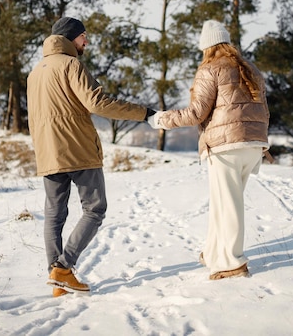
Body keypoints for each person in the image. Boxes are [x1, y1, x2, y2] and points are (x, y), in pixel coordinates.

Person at [27, 16, 155, 297]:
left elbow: (33, 118)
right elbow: (98, 102)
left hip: (48, 152)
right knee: (95, 209)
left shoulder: (35, 71)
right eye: (84, 36)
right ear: (71, 38)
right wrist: (144, 113)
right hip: (79, 151)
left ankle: (57, 277)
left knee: (54, 215)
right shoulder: (72, 65)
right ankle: (64, 267)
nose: (87, 41)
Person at [148, 20, 270, 280]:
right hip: (252, 144)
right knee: (222, 203)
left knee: (228, 205)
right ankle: (214, 252)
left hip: (226, 146)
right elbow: (264, 110)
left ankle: (232, 262)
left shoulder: (210, 69)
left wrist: (161, 120)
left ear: (206, 47)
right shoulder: (250, 68)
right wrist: (259, 142)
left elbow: (196, 113)